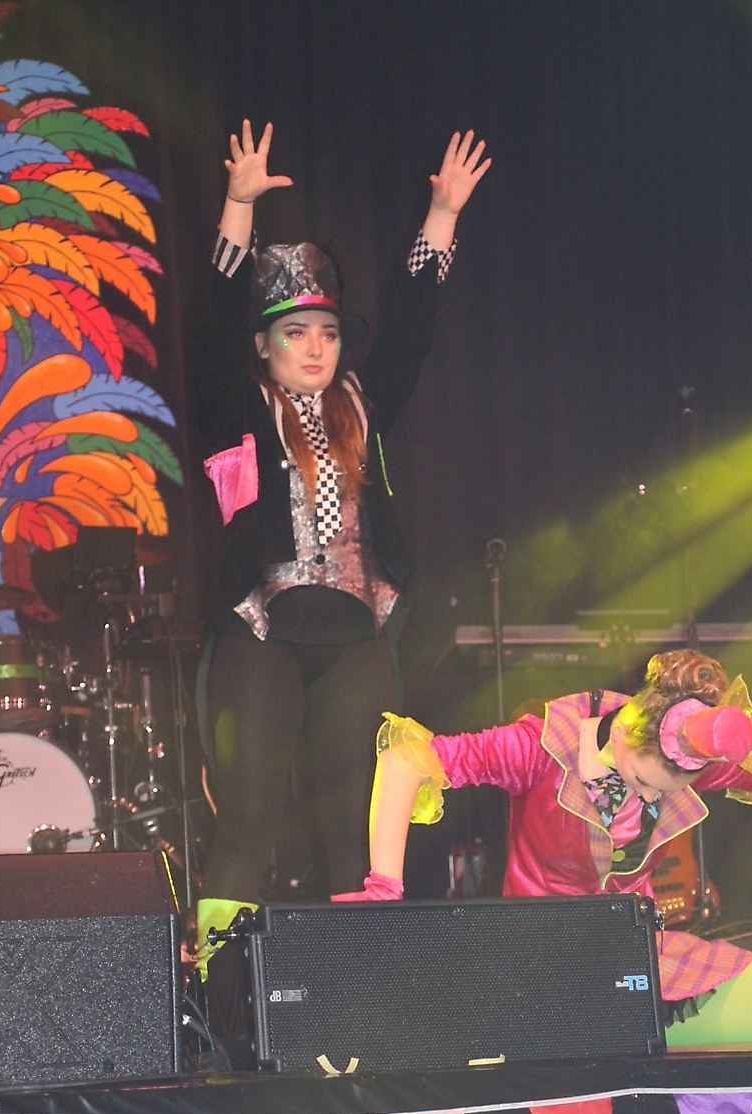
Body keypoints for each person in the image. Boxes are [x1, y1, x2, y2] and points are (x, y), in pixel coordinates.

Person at [340, 649, 752, 1046]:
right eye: (645, 783)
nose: (648, 799)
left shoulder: (688, 751)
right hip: (536, 973)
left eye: (663, 792)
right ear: (625, 733)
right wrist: (383, 889)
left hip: (639, 967)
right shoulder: (538, 747)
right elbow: (404, 760)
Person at [194, 121, 491, 965]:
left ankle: (352, 994)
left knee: (357, 830)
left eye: (325, 333)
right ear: (266, 346)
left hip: (355, 636)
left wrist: (441, 216)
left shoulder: (360, 403)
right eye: (296, 333)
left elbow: (411, 331)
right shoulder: (240, 406)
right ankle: (214, 987)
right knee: (248, 818)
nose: (316, 348)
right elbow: (212, 326)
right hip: (262, 632)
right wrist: (238, 207)